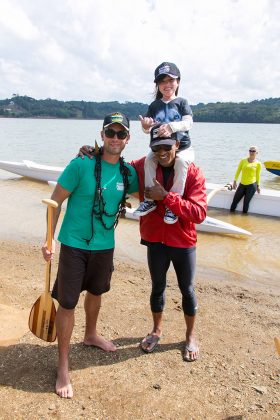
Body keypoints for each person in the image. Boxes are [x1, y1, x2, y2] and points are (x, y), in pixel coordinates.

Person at [41, 112, 138, 399]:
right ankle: (63, 365)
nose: (115, 138)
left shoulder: (127, 173)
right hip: (73, 244)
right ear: (102, 133)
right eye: (111, 133)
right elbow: (55, 202)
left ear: (128, 139)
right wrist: (48, 239)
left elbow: (150, 189)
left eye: (121, 134)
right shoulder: (81, 164)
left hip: (104, 247)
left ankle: (91, 334)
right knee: (68, 304)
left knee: (96, 292)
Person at [130, 125, 207, 361]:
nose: (162, 152)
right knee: (157, 287)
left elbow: (199, 213)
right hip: (155, 238)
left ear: (177, 145)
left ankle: (190, 335)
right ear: (152, 149)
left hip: (182, 241)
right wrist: (93, 152)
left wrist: (167, 198)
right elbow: (116, 164)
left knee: (187, 289)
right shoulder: (144, 165)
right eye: (157, 148)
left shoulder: (193, 173)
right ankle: (156, 330)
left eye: (167, 146)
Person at [134, 62, 194, 225]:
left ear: (178, 82)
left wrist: (171, 126)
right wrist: (145, 126)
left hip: (182, 148)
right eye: (162, 81)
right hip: (160, 148)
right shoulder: (154, 105)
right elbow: (149, 128)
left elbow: (189, 123)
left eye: (171, 80)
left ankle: (173, 204)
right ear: (157, 85)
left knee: (181, 162)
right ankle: (149, 199)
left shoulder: (182, 102)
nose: (167, 85)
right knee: (148, 161)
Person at [230, 146, 262, 213]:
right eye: (250, 150)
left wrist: (258, 186)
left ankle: (243, 219)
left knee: (246, 204)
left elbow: (258, 175)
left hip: (251, 186)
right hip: (242, 184)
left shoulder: (258, 164)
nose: (251, 152)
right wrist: (235, 181)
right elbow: (238, 171)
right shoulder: (243, 160)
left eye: (253, 151)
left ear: (257, 153)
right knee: (234, 202)